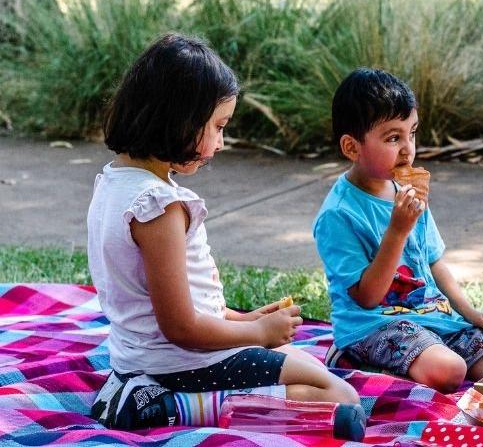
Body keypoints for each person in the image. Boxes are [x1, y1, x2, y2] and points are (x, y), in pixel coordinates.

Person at [87, 33, 360, 432]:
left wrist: (242, 320)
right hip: (181, 363)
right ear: (179, 118)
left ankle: (141, 390)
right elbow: (179, 327)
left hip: (141, 357)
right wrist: (255, 333)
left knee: (304, 364)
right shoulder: (157, 207)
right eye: (218, 126)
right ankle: (170, 408)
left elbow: (161, 302)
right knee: (341, 399)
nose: (220, 142)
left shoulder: (114, 184)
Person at [314, 68, 483, 392]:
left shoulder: (407, 190)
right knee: (450, 370)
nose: (407, 149)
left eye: (411, 133)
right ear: (352, 147)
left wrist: (469, 312)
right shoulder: (338, 215)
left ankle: (420, 376)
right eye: (392, 138)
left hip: (434, 318)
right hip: (376, 325)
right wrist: (397, 231)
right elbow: (368, 297)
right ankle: (354, 363)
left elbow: (434, 262)